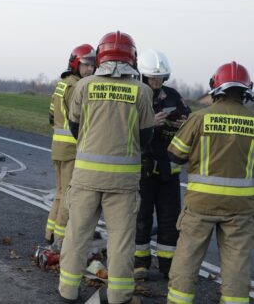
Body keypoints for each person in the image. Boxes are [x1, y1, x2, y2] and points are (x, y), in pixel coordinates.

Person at [58, 31, 154, 304]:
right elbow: (146, 136)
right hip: (123, 183)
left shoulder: (84, 85)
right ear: (132, 58)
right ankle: (119, 295)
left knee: (77, 234)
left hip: (86, 175)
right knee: (121, 241)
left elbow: (75, 127)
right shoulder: (142, 91)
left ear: (101, 55)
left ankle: (67, 290)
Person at [166, 62, 254, 304]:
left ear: (216, 87)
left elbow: (174, 155)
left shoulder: (199, 118)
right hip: (241, 206)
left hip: (200, 203)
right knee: (237, 261)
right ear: (246, 90)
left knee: (187, 256)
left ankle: (179, 300)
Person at [133, 49, 190, 281]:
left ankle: (167, 267)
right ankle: (140, 265)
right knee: (142, 218)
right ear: (143, 76)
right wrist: (148, 123)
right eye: (152, 77)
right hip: (144, 171)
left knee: (169, 221)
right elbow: (125, 130)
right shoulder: (138, 95)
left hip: (168, 172)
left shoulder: (174, 96)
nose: (156, 81)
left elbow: (189, 122)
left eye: (160, 77)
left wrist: (183, 125)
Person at [44, 44, 96, 251]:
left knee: (60, 193)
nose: (91, 69)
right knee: (69, 196)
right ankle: (61, 239)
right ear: (76, 63)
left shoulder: (62, 84)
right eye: (86, 65)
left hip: (58, 146)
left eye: (93, 65)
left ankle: (50, 233)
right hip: (72, 148)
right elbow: (83, 118)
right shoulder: (77, 87)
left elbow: (51, 116)